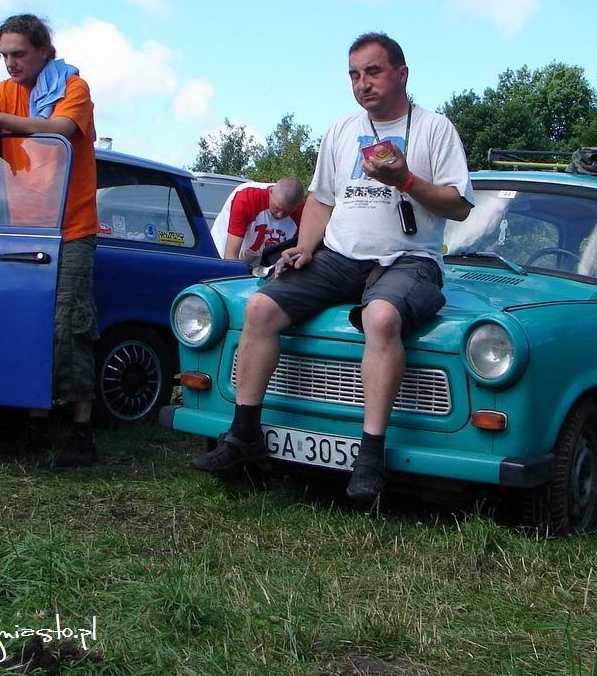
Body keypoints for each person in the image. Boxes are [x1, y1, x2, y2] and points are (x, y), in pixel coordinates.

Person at [190, 32, 474, 503]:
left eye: (373, 71)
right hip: (339, 257)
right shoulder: (342, 129)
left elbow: (459, 206)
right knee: (259, 308)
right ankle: (244, 436)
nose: (363, 83)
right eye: (355, 75)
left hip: (410, 261)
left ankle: (370, 458)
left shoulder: (434, 128)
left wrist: (405, 179)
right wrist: (304, 247)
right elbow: (321, 199)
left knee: (381, 318)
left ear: (402, 74)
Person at [0, 13, 101, 468]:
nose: (10, 63)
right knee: (30, 323)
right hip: (23, 227)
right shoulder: (3, 91)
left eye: (18, 54)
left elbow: (61, 130)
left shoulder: (73, 87)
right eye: (4, 55)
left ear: (43, 51)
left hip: (71, 228)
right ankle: (34, 422)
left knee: (71, 326)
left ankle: (81, 432)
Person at [221, 177, 306, 266]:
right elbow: (230, 255)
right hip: (226, 253)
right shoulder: (247, 199)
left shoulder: (303, 212)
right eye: (277, 208)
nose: (280, 215)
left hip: (260, 260)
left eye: (287, 212)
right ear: (270, 192)